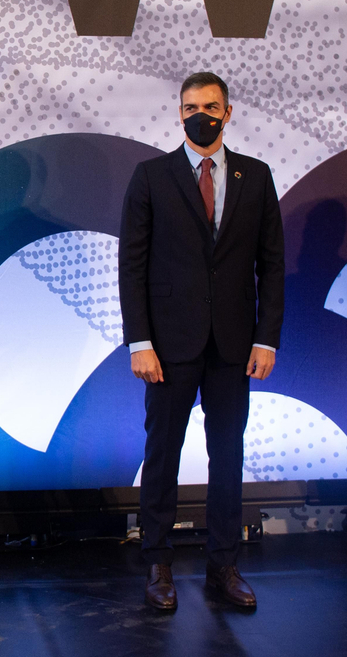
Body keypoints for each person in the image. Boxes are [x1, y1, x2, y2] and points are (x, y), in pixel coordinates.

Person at [118, 72, 284, 612]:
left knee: (228, 455)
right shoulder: (151, 176)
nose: (199, 115)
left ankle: (224, 564)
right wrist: (138, 340)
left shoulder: (256, 177)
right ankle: (158, 563)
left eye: (209, 106)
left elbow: (272, 267)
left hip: (235, 344)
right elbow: (132, 265)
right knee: (162, 454)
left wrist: (267, 341)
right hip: (166, 345)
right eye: (190, 106)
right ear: (179, 112)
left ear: (228, 112)